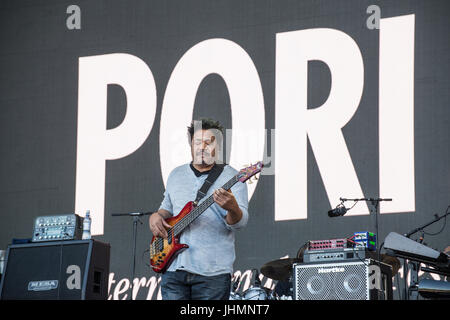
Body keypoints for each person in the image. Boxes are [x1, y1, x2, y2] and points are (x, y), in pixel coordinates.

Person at [149, 118, 249, 300]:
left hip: (213, 273)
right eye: (197, 142)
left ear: (217, 146)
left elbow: (240, 222)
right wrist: (156, 216)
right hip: (173, 268)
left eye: (208, 142)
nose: (202, 147)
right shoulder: (176, 175)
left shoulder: (234, 176)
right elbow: (166, 210)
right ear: (190, 145)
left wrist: (232, 207)